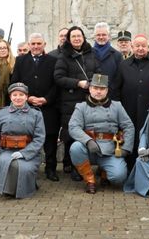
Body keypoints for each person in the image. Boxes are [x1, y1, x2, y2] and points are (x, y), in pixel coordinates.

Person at [68, 74, 134, 194]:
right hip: (89, 149)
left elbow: (128, 126)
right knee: (75, 147)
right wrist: (88, 141)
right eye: (95, 88)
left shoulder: (117, 106)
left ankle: (104, 173)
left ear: (107, 90)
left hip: (110, 149)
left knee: (119, 177)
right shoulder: (81, 107)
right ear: (90, 89)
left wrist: (126, 148)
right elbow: (73, 127)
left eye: (102, 89)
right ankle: (90, 180)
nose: (98, 91)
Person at [112, 34, 149, 173]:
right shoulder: (123, 65)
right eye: (137, 46)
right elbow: (116, 89)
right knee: (131, 139)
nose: (140, 48)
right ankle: (131, 170)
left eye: (143, 46)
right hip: (128, 110)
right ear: (132, 46)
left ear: (148, 46)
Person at [11, 33, 59, 181]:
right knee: (29, 138)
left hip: (48, 107)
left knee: (50, 139)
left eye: (39, 44)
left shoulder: (53, 61)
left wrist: (46, 99)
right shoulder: (20, 61)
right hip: (28, 107)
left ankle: (51, 169)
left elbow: (57, 84)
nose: (36, 46)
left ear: (44, 44)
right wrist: (28, 97)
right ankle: (30, 167)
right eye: (33, 44)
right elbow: (15, 82)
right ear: (29, 45)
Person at [54, 26, 100, 181]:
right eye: (73, 36)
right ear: (69, 39)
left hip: (90, 100)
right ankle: (75, 168)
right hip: (71, 102)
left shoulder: (91, 53)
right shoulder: (64, 55)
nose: (76, 39)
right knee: (73, 135)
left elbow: (98, 72)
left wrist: (95, 84)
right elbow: (58, 77)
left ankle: (88, 166)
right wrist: (77, 83)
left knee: (88, 132)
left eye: (79, 36)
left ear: (83, 37)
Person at [0, 83, 45, 199]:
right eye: (15, 95)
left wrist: (24, 153)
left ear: (27, 97)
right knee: (7, 162)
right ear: (10, 97)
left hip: (29, 152)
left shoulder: (36, 114)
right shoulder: (0, 113)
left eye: (21, 95)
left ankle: (25, 189)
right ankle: (7, 190)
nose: (18, 98)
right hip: (6, 151)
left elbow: (39, 138)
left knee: (23, 167)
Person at [92, 22, 123, 87]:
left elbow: (119, 78)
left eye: (104, 35)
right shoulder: (87, 53)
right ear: (94, 37)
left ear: (109, 36)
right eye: (98, 35)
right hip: (92, 93)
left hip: (111, 94)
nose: (101, 37)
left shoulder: (117, 55)